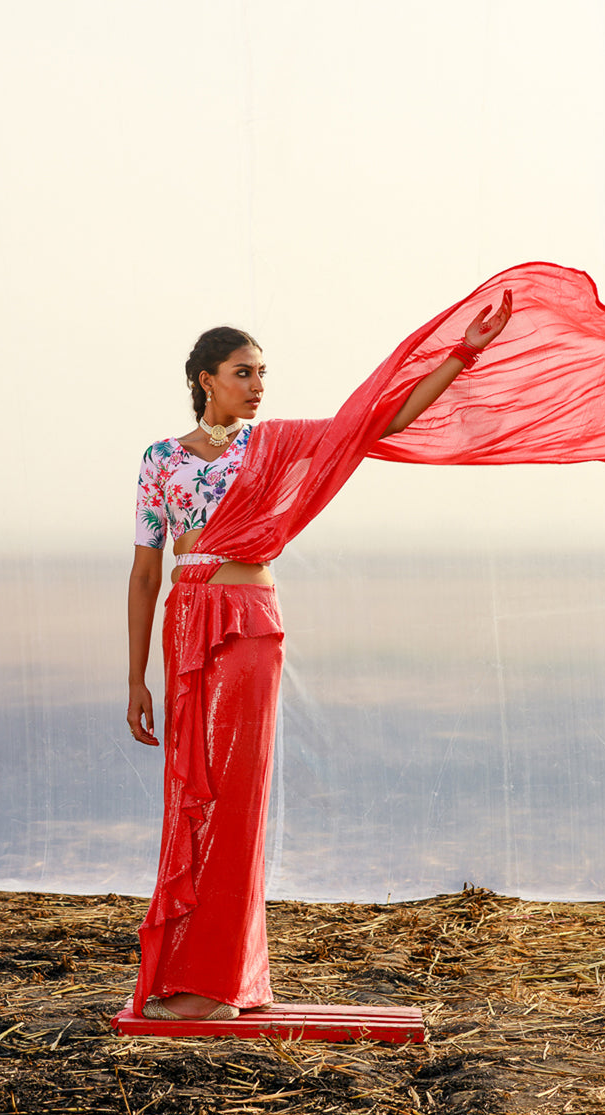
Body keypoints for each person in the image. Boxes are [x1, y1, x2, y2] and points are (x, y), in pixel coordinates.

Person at [126, 292, 512, 1020]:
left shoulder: (269, 443)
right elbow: (146, 572)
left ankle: (215, 984)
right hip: (185, 625)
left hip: (245, 624)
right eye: (245, 372)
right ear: (206, 378)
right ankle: (183, 975)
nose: (259, 385)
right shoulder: (159, 461)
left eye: (263, 372)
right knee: (189, 798)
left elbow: (378, 420)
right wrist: (134, 674)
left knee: (232, 798)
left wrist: (464, 353)